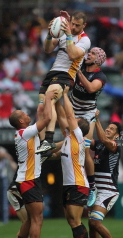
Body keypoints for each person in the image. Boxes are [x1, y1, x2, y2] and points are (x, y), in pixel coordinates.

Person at [6, 90, 57, 238]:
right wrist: (49, 98)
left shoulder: (25, 133)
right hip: (28, 181)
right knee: (37, 219)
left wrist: (43, 102)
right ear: (21, 121)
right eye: (25, 114)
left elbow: (41, 114)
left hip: (28, 179)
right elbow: (47, 119)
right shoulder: (25, 132)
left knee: (30, 219)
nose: (28, 115)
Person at [36, 10, 91, 154]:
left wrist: (68, 34)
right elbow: (47, 49)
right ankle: (43, 148)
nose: (73, 27)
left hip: (66, 75)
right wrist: (50, 33)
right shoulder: (64, 33)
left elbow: (72, 54)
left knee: (49, 99)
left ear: (84, 25)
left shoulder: (85, 40)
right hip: (52, 73)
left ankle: (49, 139)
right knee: (40, 109)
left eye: (77, 25)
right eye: (72, 23)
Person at [56, 86, 98, 238]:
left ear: (78, 125)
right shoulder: (68, 138)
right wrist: (55, 100)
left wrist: (65, 95)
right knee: (72, 220)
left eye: (74, 120)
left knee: (75, 221)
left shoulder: (79, 135)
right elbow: (61, 117)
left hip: (78, 183)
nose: (71, 121)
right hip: (69, 184)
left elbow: (70, 116)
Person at [69, 47, 107, 208]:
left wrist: (78, 73)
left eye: (92, 53)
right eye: (89, 52)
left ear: (98, 59)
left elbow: (91, 88)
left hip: (88, 113)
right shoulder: (81, 67)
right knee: (70, 148)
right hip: (72, 109)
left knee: (84, 148)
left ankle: (92, 187)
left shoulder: (100, 76)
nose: (88, 54)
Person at [88, 110, 123, 238]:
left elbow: (101, 138)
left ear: (117, 136)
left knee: (95, 222)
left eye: (112, 129)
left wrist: (96, 119)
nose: (108, 129)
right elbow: (87, 141)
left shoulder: (114, 145)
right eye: (107, 127)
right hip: (97, 191)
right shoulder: (100, 146)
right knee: (92, 224)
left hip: (109, 190)